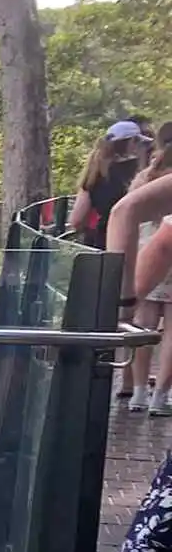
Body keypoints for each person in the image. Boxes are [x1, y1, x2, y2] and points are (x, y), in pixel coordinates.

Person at [123, 122, 172, 412]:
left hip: (147, 256)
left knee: (142, 326)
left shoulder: (145, 177)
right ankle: (161, 396)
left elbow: (127, 214)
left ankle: (139, 392)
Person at [73, 119, 149, 257]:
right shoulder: (140, 172)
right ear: (131, 142)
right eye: (139, 142)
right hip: (137, 242)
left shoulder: (94, 173)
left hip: (104, 243)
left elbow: (77, 220)